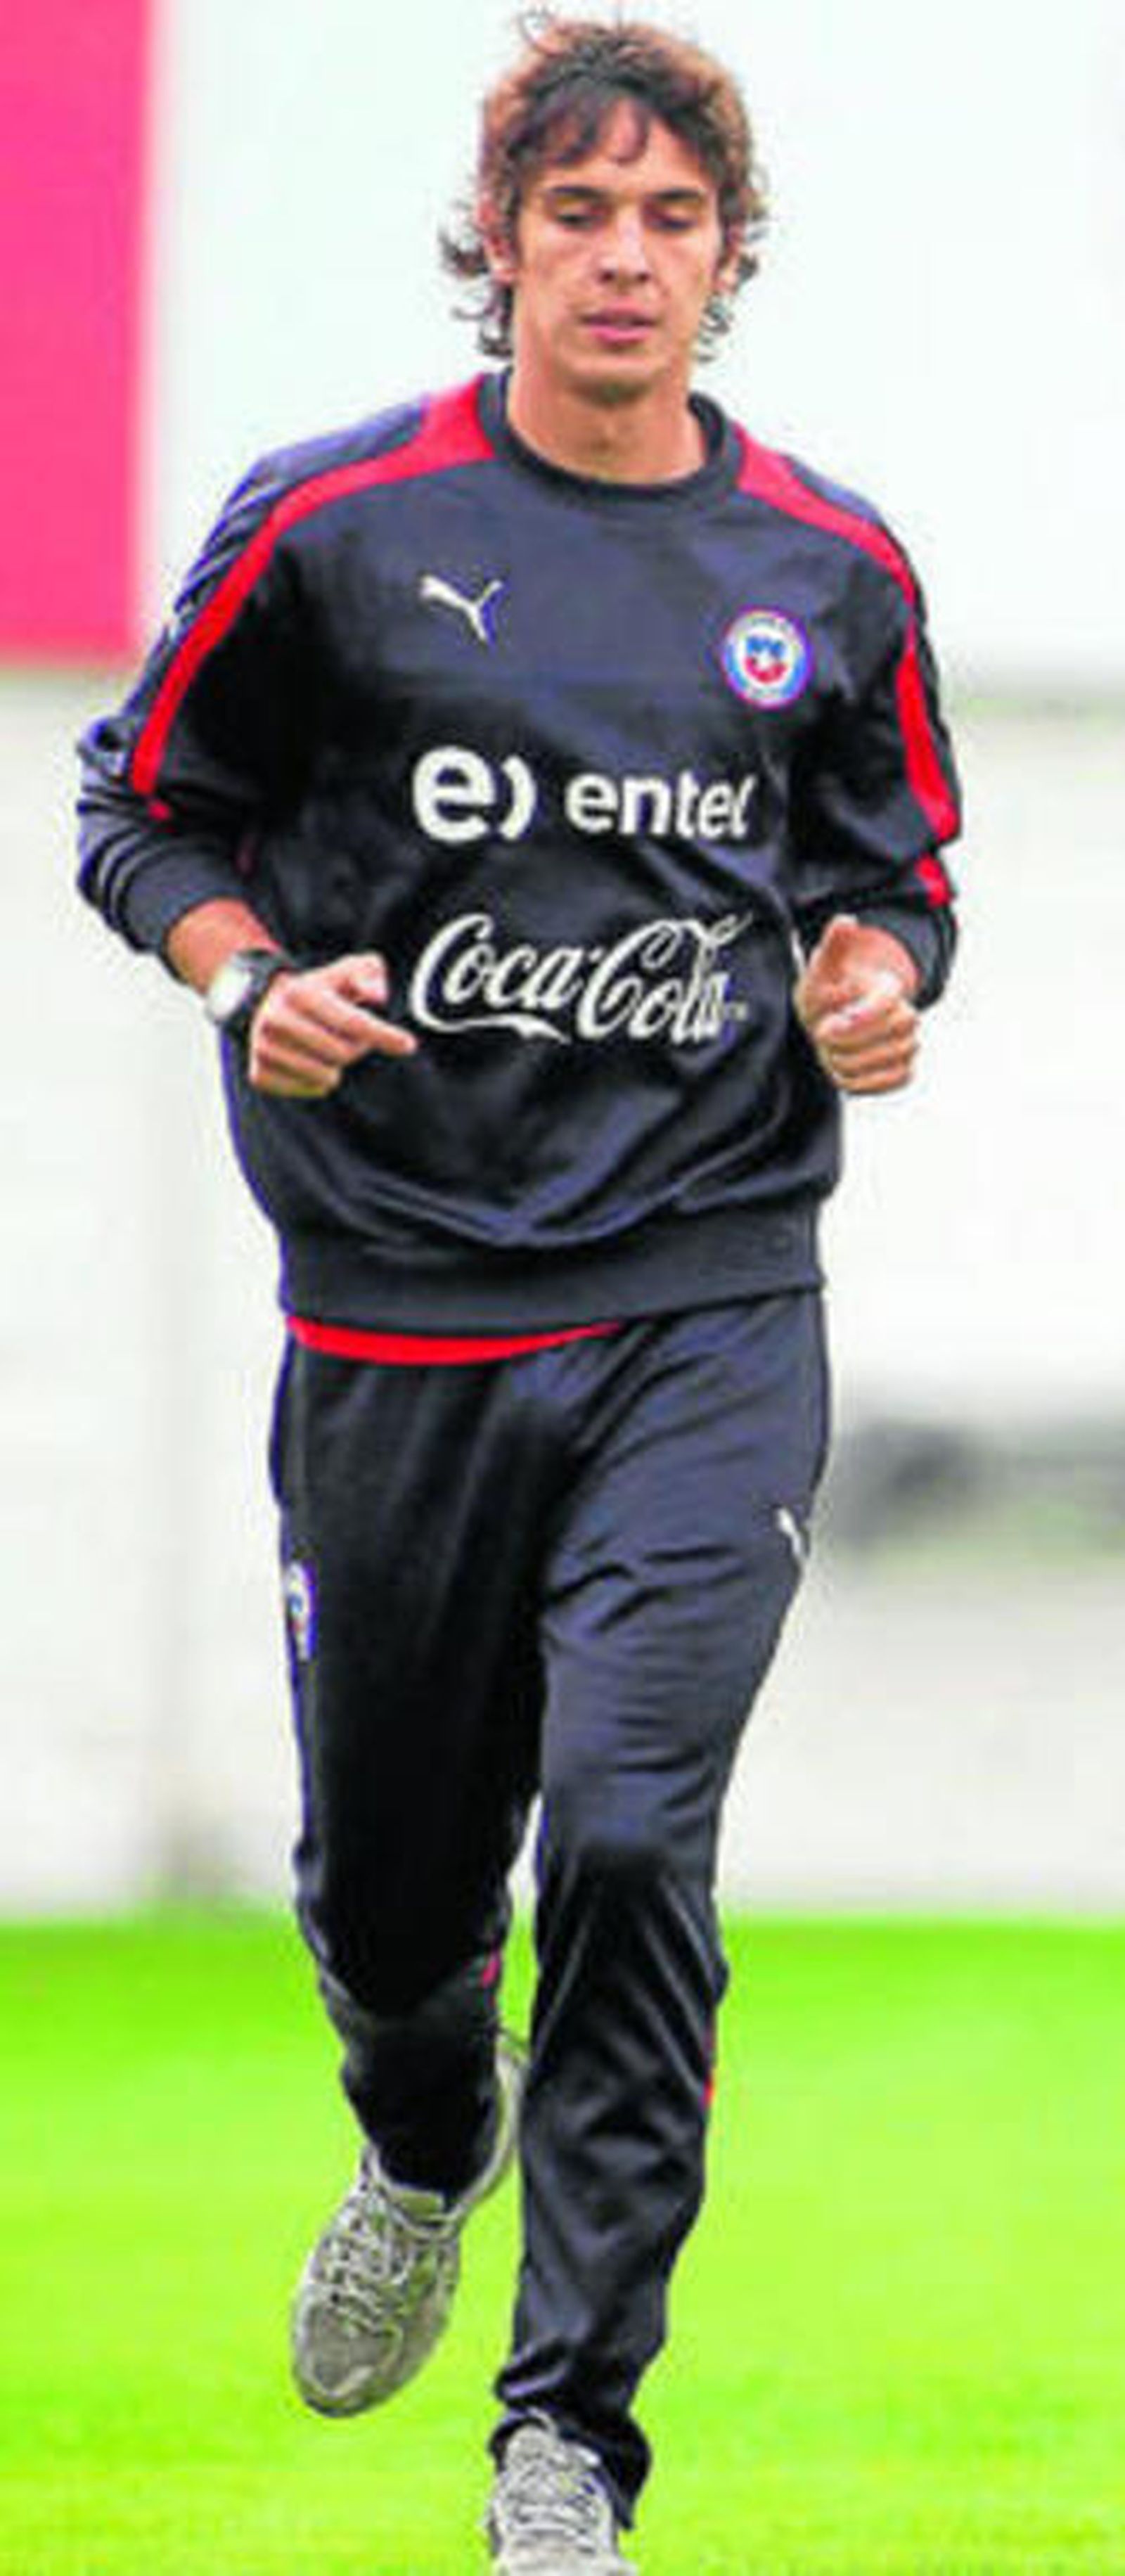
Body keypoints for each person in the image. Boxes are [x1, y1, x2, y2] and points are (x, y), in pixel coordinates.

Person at [77, 13, 960, 2570]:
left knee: (641, 1844)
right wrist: (251, 975)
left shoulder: (828, 569)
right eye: (577, 213)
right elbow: (142, 802)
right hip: (397, 1316)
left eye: (671, 217)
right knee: (394, 1897)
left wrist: (881, 975)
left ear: (729, 252)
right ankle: (413, 2129)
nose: (623, 259)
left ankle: (565, 2439)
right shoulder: (334, 527)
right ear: (502, 240)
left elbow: (896, 865)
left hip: (706, 1299)